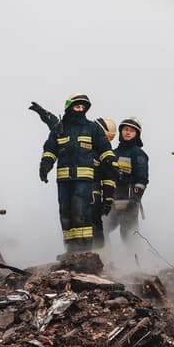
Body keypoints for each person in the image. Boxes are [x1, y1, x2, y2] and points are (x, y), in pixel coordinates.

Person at [39, 93, 116, 252]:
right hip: (63, 180)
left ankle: (84, 252)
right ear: (69, 107)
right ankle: (71, 251)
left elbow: (104, 147)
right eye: (77, 106)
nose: (80, 110)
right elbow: (50, 149)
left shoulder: (92, 128)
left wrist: (110, 161)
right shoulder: (60, 129)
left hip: (84, 180)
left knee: (80, 212)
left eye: (83, 107)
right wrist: (45, 165)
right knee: (65, 215)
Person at [108, 117, 149, 243]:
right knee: (101, 229)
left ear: (137, 134)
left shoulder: (138, 154)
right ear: (120, 132)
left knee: (129, 236)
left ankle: (134, 260)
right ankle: (104, 258)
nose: (128, 132)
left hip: (130, 201)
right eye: (125, 129)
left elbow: (142, 180)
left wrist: (135, 199)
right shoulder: (112, 153)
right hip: (112, 202)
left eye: (132, 130)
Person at [90, 117, 118, 249]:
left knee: (95, 223)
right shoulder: (82, 146)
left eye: (110, 139)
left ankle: (100, 255)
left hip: (94, 194)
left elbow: (109, 178)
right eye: (106, 137)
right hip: (77, 191)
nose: (106, 142)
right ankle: (78, 253)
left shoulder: (105, 153)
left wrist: (107, 200)